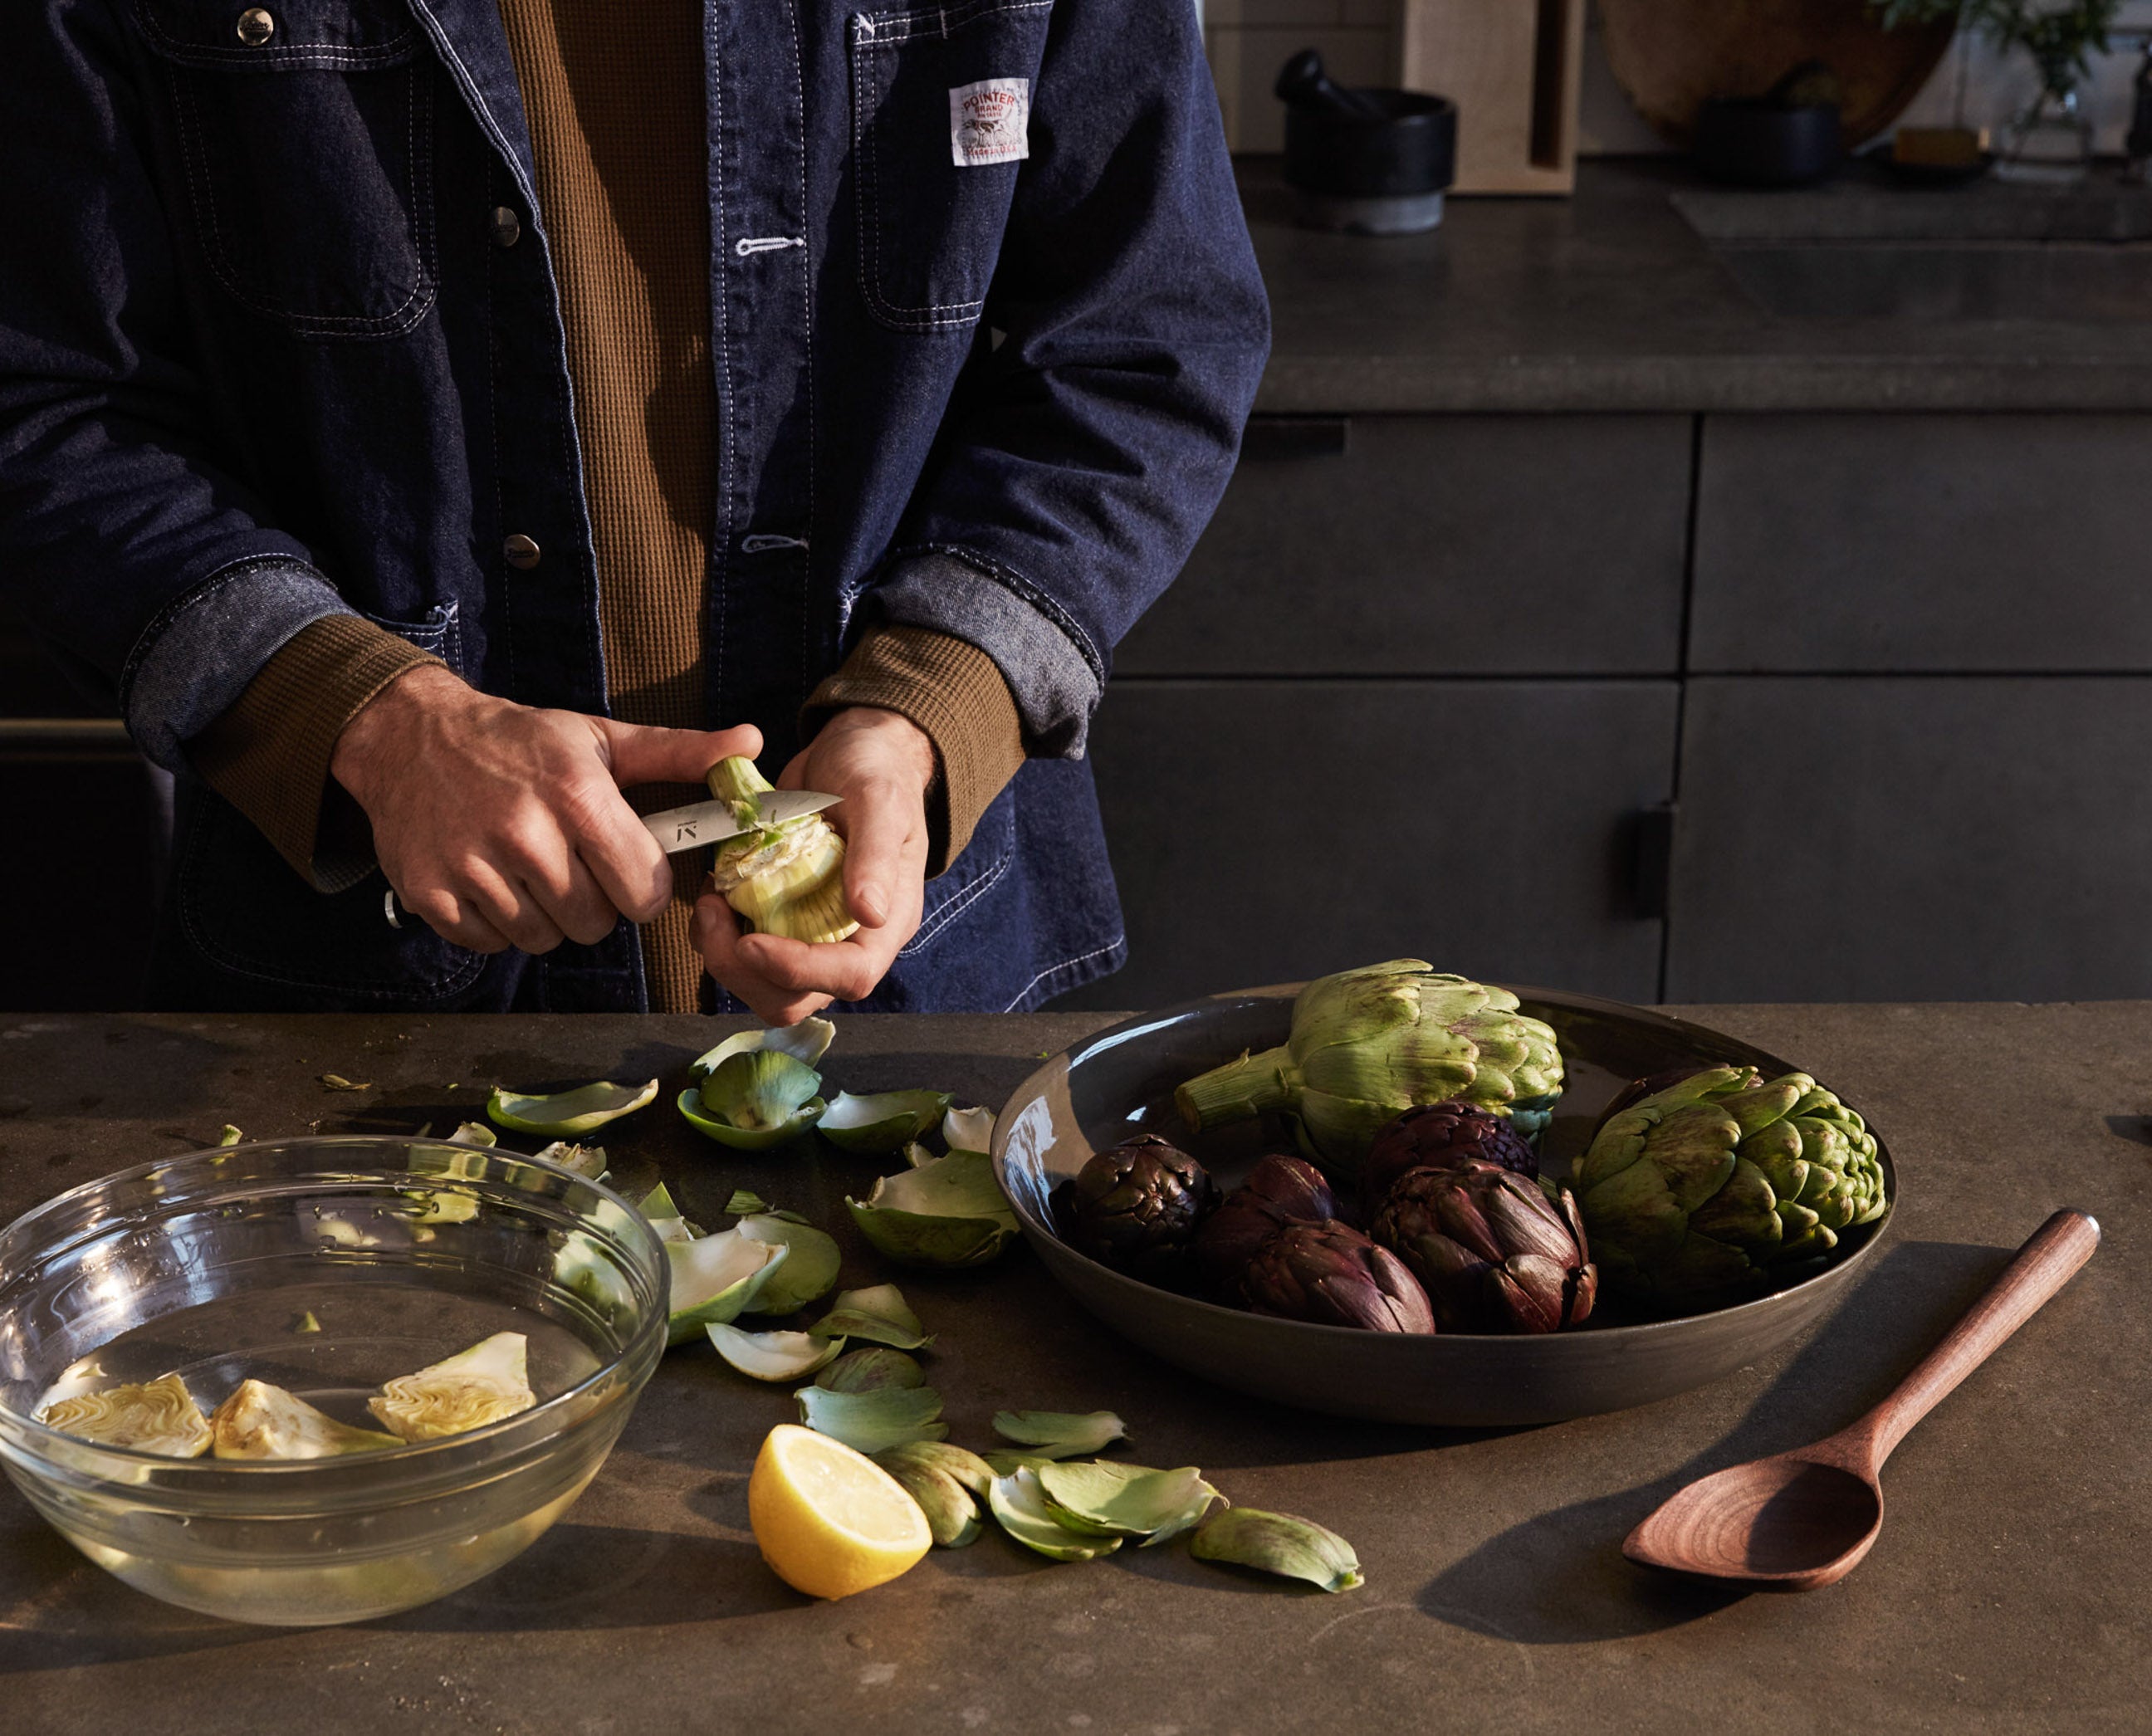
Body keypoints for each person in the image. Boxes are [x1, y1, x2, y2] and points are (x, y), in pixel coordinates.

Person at [0, 0, 1267, 1021]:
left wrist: (935, 702)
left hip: (917, 977)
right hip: (365, 989)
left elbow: (1146, 342)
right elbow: (45, 399)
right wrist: (366, 719)